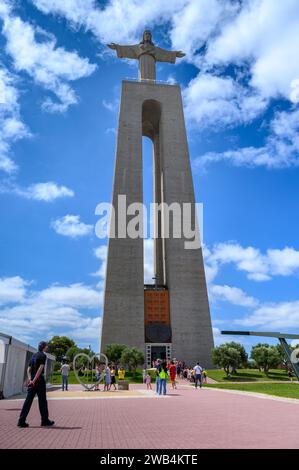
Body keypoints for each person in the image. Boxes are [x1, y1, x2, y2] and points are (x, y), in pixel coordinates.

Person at [18, 341, 54, 428]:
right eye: (46, 346)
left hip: (32, 381)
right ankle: (44, 420)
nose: (47, 348)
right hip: (39, 381)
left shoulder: (34, 355)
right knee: (42, 401)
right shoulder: (43, 355)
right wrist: (34, 380)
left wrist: (30, 379)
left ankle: (21, 420)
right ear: (44, 347)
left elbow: (28, 369)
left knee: (28, 401)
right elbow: (40, 369)